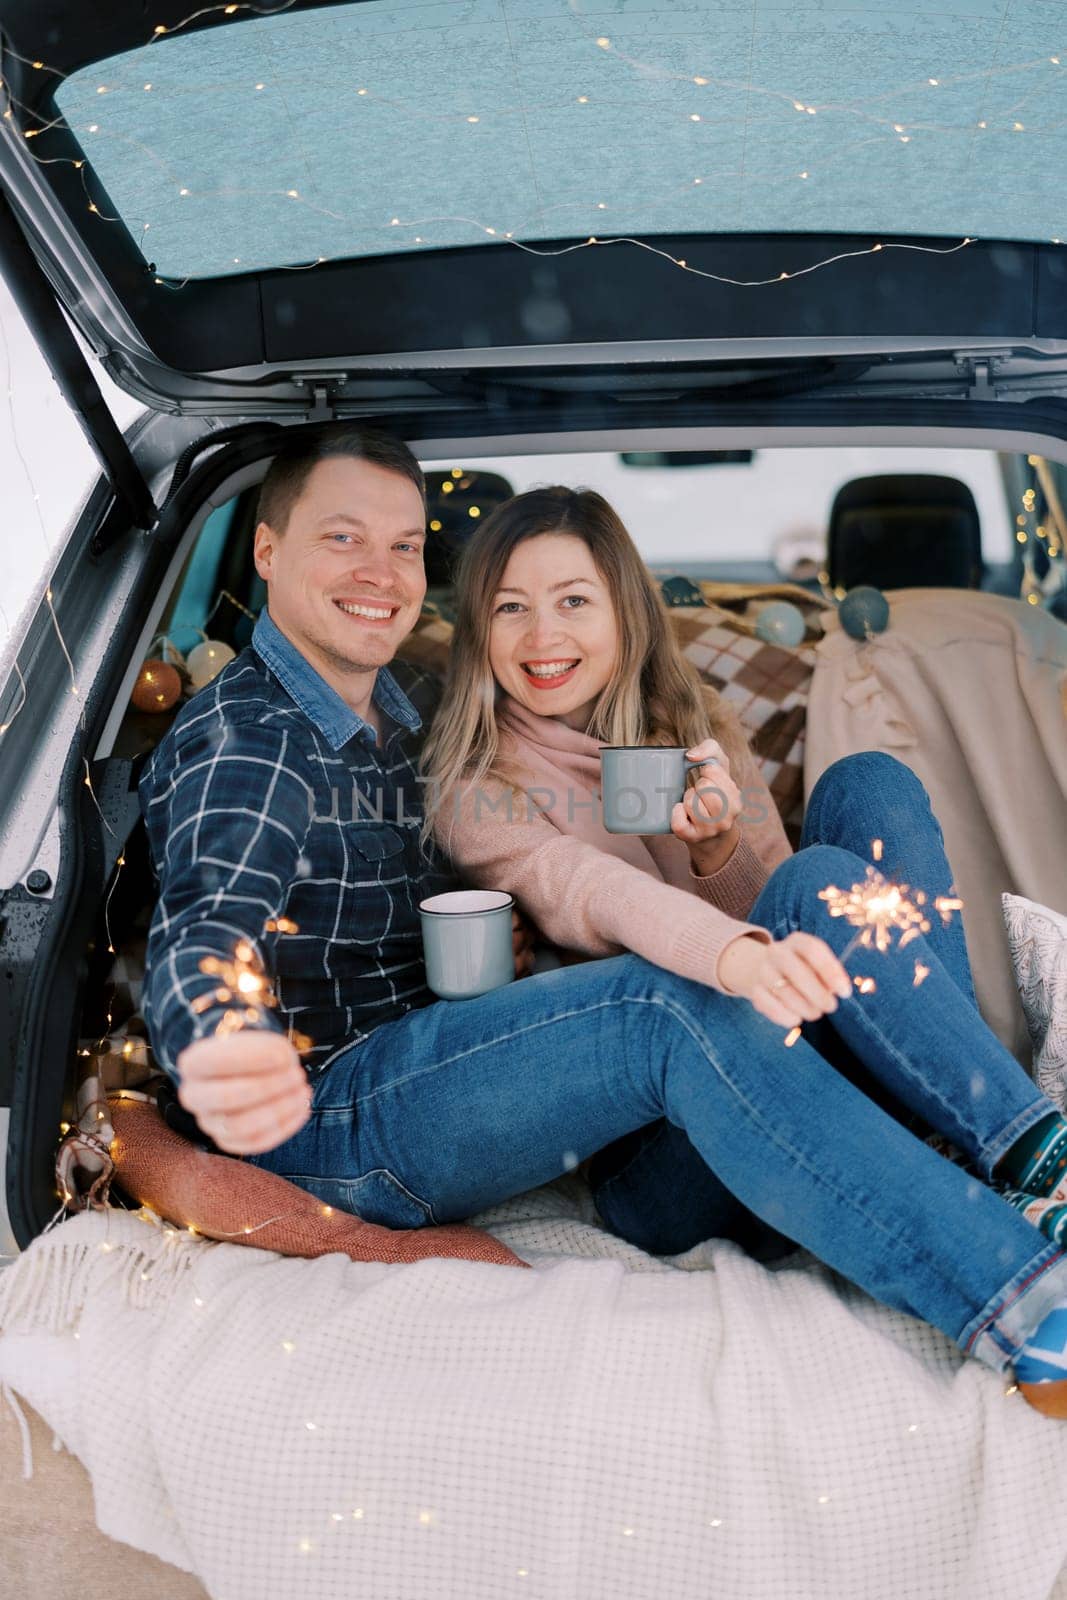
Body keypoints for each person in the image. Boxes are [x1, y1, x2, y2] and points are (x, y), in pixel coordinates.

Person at [139, 425, 1067, 1416]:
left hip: (497, 1054)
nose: (378, 571)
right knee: (668, 1001)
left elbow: (787, 917)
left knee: (856, 804)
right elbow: (207, 921)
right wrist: (215, 1041)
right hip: (359, 1106)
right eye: (341, 539)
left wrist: (716, 848)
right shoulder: (269, 744)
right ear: (268, 551)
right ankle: (1019, 1294)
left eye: (404, 546)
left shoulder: (404, 702)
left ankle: (1008, 1148)